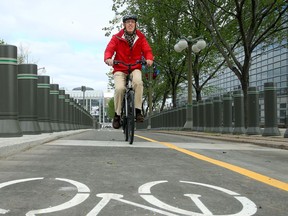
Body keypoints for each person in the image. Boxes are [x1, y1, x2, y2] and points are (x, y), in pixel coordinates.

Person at [104, 14, 154, 129]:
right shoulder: (116, 38)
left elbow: (147, 50)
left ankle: (137, 111)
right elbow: (109, 49)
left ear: (135, 24)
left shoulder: (141, 38)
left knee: (138, 82)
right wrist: (108, 58)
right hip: (120, 68)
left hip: (135, 67)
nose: (130, 24)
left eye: (132, 22)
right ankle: (117, 115)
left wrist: (149, 59)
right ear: (124, 25)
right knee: (120, 89)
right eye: (128, 22)